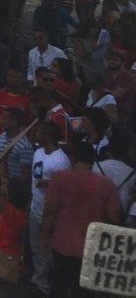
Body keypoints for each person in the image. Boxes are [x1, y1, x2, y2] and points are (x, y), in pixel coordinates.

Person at [41, 143, 122, 298]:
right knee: (84, 292)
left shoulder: (59, 178)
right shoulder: (107, 185)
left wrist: (44, 237)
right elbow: (114, 218)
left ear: (72, 158)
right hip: (91, 248)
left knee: (59, 287)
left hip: (62, 244)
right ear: (93, 159)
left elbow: (49, 212)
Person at [29, 121, 71, 296]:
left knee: (50, 251)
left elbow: (66, 187)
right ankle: (40, 283)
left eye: (39, 132)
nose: (36, 133)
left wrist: (49, 183)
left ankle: (54, 285)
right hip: (34, 207)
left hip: (51, 213)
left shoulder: (61, 160)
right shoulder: (38, 152)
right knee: (36, 248)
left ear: (46, 136)